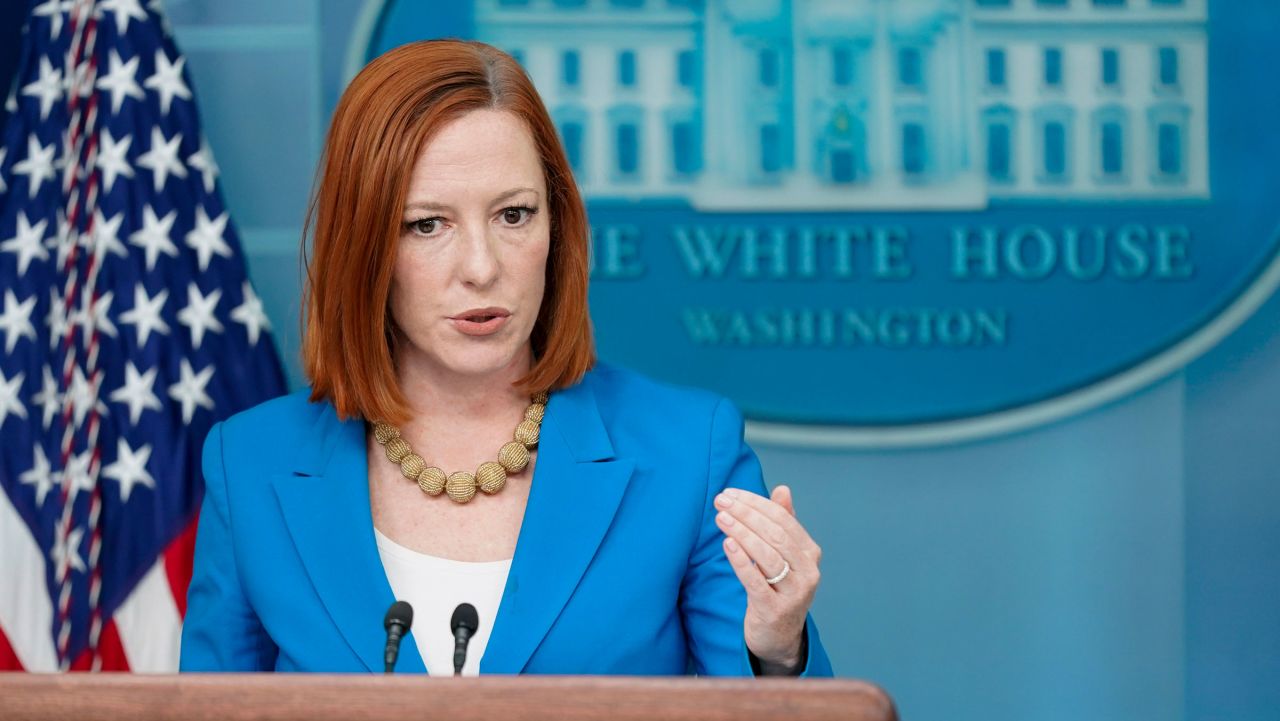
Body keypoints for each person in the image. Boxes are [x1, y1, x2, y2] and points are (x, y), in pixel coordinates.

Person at [179, 39, 831, 677]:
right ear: (365, 247)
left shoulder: (689, 450)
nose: (482, 267)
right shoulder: (250, 464)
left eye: (514, 215)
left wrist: (777, 648)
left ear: (557, 225)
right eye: (427, 224)